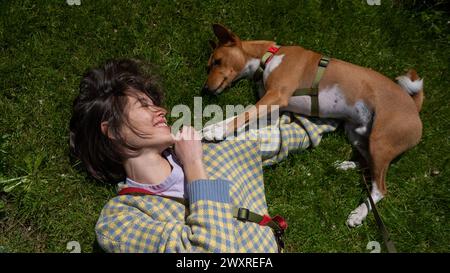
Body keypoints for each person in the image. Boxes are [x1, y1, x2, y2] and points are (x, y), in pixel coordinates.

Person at [69, 58, 338, 253]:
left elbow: (282, 138)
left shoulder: (212, 144)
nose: (161, 111)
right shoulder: (120, 220)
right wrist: (194, 164)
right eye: (143, 105)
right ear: (113, 131)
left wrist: (341, 115)